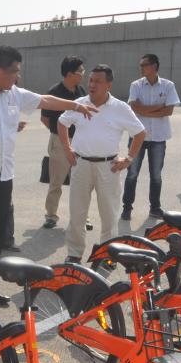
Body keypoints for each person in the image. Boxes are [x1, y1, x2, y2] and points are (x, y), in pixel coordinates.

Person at [0, 46, 94, 305]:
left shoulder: (13, 94)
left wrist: (76, 106)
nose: (18, 77)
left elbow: (45, 100)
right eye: (15, 72)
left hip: (3, 179)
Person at [57, 65, 145, 261]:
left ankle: (107, 255)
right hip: (81, 164)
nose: (92, 84)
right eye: (90, 80)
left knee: (109, 214)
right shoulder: (79, 104)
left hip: (108, 166)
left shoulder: (120, 108)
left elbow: (140, 133)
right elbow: (62, 123)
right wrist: (67, 149)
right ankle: (74, 254)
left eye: (98, 81)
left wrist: (129, 159)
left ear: (108, 85)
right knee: (77, 213)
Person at [121, 53, 181, 221]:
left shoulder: (168, 86)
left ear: (154, 66)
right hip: (137, 136)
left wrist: (145, 110)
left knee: (156, 175)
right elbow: (134, 108)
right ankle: (127, 208)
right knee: (132, 173)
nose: (141, 68)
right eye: (140, 65)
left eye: (144, 65)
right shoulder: (136, 85)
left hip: (158, 138)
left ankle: (155, 208)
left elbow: (169, 111)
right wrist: (158, 107)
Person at [41, 56, 86, 229]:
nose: (83, 74)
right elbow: (45, 118)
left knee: (81, 182)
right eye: (80, 71)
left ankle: (82, 216)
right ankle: (51, 215)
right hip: (59, 141)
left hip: (80, 142)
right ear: (69, 74)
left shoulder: (81, 91)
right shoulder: (54, 92)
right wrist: (59, 134)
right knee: (56, 182)